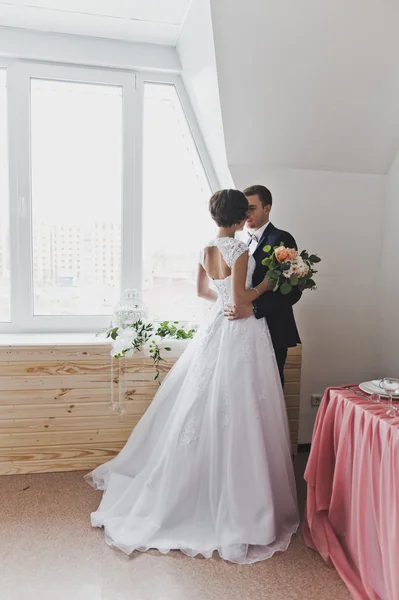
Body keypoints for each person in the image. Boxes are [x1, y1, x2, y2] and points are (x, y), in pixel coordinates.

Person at [85, 189, 299, 564]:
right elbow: (242, 299)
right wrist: (266, 284)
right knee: (241, 402)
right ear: (237, 218)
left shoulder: (204, 249)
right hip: (240, 330)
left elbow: (205, 292)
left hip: (216, 323)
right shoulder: (239, 250)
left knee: (207, 400)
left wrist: (226, 301)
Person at [226, 185, 301, 385]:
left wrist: (254, 308)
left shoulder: (282, 239)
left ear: (267, 208)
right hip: (244, 331)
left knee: (270, 389)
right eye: (244, 209)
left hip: (273, 328)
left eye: (252, 208)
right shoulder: (238, 242)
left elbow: (292, 292)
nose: (246, 213)